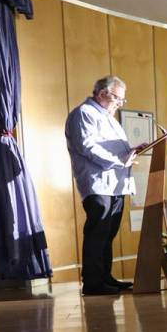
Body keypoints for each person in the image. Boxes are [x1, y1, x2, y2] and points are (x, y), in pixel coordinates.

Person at [64, 75, 138, 295]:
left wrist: (132, 152)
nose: (120, 103)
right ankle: (93, 282)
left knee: (109, 232)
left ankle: (105, 277)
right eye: (117, 98)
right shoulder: (84, 114)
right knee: (98, 231)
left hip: (116, 184)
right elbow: (87, 146)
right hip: (98, 184)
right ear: (102, 93)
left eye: (122, 100)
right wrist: (119, 160)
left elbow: (115, 149)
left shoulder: (109, 117)